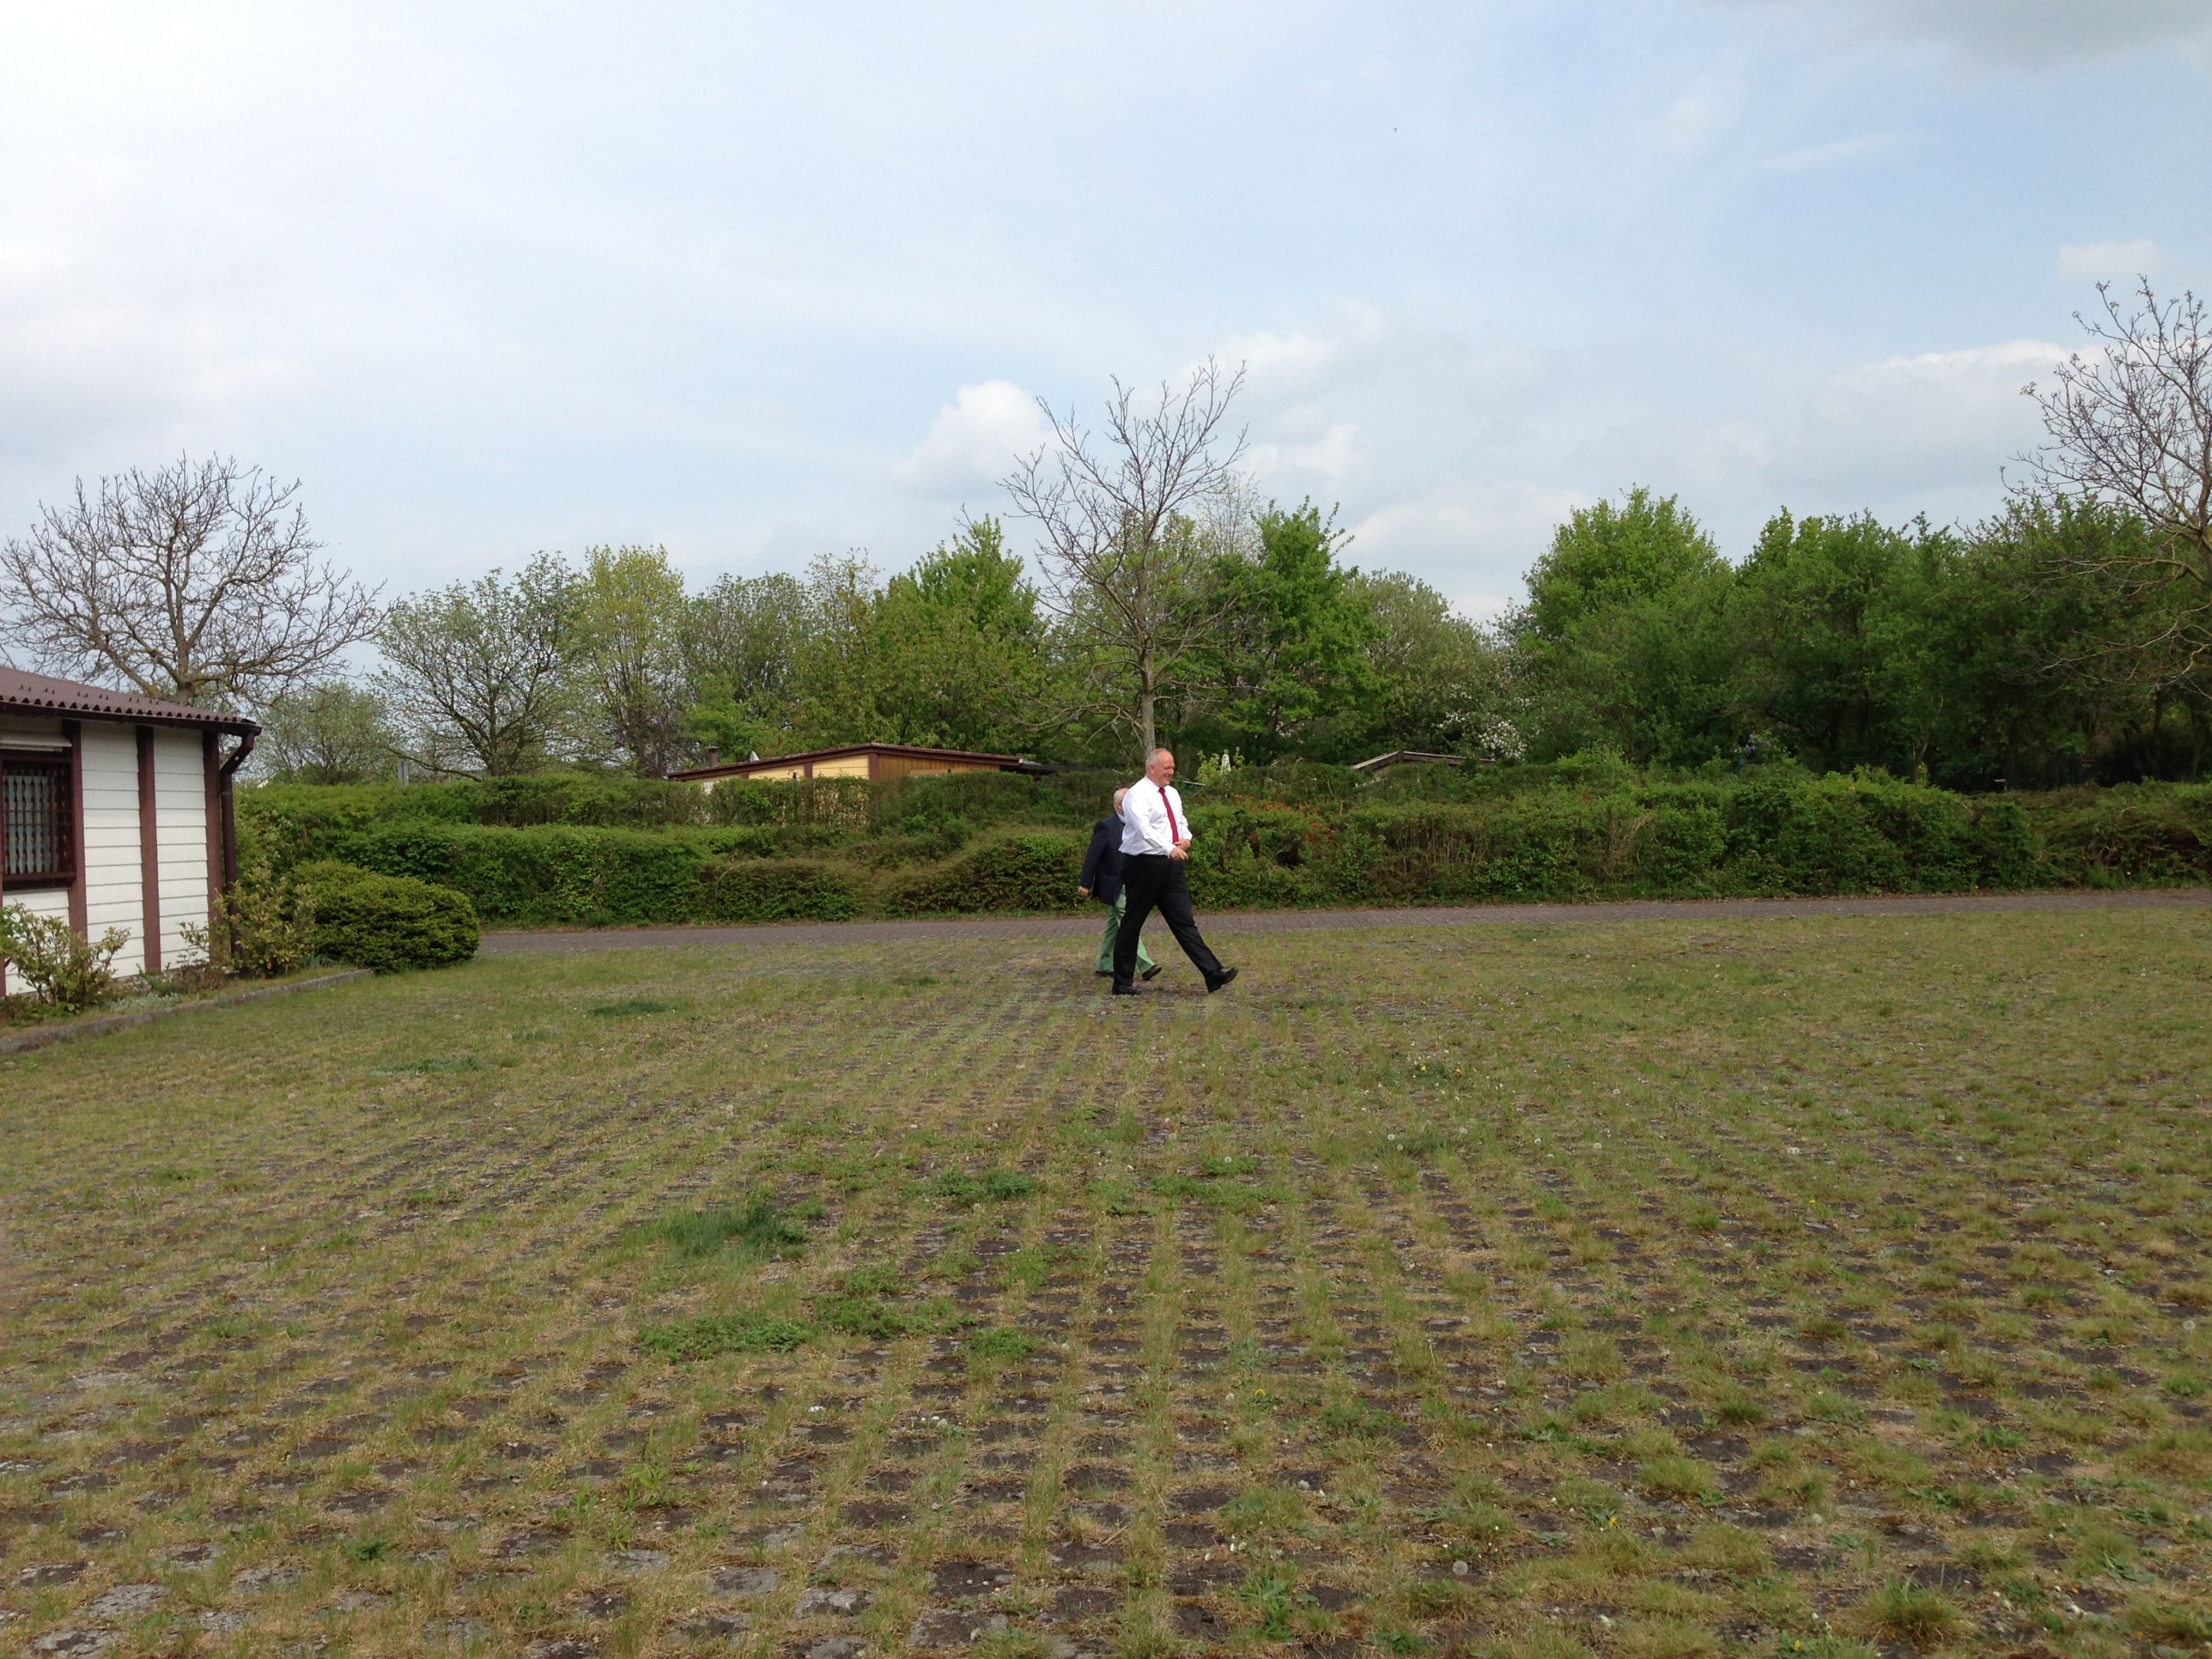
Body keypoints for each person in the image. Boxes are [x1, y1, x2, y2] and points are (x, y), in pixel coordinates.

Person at [1111, 746, 1238, 996]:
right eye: (1167, 767)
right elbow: (1144, 830)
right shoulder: (1137, 795)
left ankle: (1213, 973)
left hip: (1171, 865)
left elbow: (1180, 821)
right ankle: (1122, 982)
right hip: (1144, 865)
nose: (1172, 771)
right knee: (1133, 922)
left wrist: (1186, 839)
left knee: (1184, 921)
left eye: (1173, 767)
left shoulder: (1172, 793)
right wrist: (1168, 848)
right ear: (1152, 768)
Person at [1078, 787, 1159, 981]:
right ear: (1121, 806)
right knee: (1129, 923)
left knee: (1115, 926)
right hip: (1114, 885)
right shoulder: (1106, 827)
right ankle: (1146, 964)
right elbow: (1093, 856)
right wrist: (1085, 883)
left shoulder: (1137, 825)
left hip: (1132, 883)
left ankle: (1105, 964)